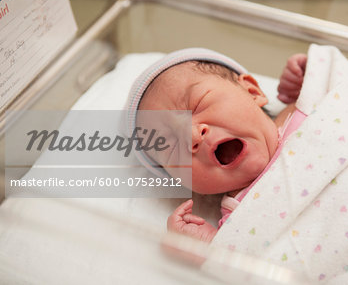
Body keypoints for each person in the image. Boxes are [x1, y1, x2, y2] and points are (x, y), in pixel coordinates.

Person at [126, 48, 307, 243]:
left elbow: (340, 83)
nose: (193, 136)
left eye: (197, 104)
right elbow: (250, 263)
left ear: (252, 92)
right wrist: (206, 248)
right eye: (171, 146)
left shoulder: (306, 106)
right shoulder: (239, 217)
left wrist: (309, 78)